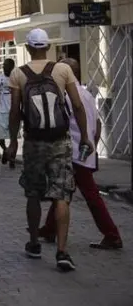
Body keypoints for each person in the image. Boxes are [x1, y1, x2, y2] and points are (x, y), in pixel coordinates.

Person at [7, 28, 92, 272]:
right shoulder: (63, 70)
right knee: (61, 194)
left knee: (33, 194)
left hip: (33, 143)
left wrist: (13, 142)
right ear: (47, 46)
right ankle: (62, 251)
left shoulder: (17, 74)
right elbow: (76, 105)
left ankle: (34, 243)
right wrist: (85, 136)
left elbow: (15, 112)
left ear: (28, 48)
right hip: (59, 141)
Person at [38, 58, 122, 251]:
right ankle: (49, 228)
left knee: (88, 195)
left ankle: (112, 234)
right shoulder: (86, 94)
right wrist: (91, 143)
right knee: (63, 193)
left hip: (73, 153)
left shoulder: (67, 96)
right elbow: (98, 124)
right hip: (83, 152)